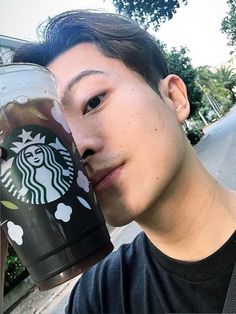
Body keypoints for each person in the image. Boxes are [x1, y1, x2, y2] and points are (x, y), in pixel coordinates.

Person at [1, 10, 236, 313]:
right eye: (62, 134)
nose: (79, 147)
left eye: (94, 101)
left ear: (174, 98)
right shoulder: (99, 298)